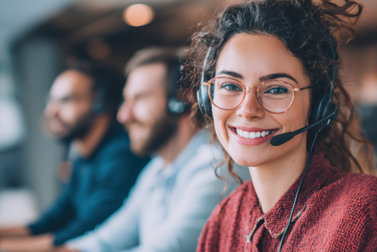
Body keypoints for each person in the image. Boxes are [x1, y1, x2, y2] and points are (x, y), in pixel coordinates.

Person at [182, 0, 377, 251]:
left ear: (318, 103)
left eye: (277, 89)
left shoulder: (364, 207)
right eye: (230, 86)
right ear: (207, 97)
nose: (247, 110)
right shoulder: (222, 220)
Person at [59, 47, 244, 252]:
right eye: (125, 101)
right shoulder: (156, 169)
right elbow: (105, 241)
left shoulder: (217, 167)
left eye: (139, 98)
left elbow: (166, 249)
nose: (124, 115)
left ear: (181, 102)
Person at [0, 61, 148, 251]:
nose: (51, 111)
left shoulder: (123, 156)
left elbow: (85, 232)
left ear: (99, 104)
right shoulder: (83, 158)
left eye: (66, 100)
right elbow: (51, 222)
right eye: (51, 101)